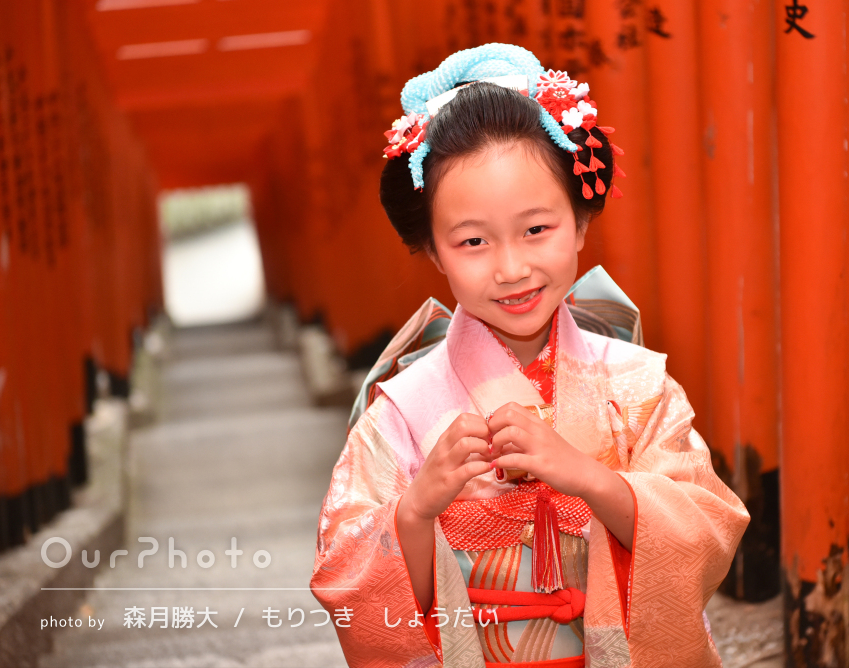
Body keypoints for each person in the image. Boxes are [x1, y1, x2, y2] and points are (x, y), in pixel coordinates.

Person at [310, 43, 749, 668]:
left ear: (581, 219)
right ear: (434, 251)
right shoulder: (403, 412)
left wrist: (590, 477)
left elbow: (706, 526)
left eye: (536, 229)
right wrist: (416, 508)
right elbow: (344, 578)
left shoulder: (637, 385)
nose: (512, 268)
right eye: (473, 241)